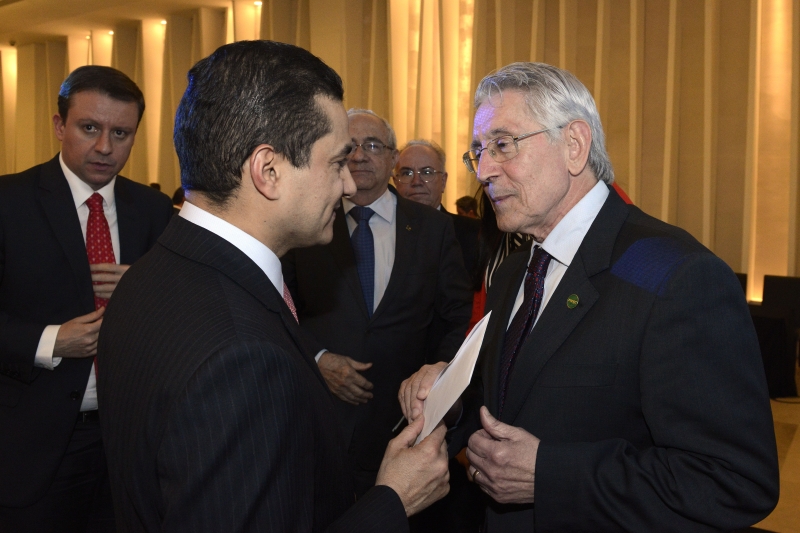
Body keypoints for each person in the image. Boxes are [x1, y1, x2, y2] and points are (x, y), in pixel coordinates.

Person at [400, 62, 779, 532]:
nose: (484, 170)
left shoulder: (679, 277)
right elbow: (510, 399)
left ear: (574, 145)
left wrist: (550, 475)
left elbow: (734, 481)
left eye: (502, 144)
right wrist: (449, 397)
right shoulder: (517, 268)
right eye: (476, 151)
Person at [97, 40, 450, 533]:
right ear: (268, 171)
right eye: (334, 163)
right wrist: (391, 501)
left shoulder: (151, 274)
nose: (349, 186)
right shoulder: (241, 359)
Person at [0, 66, 173, 532]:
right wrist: (51, 341)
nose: (104, 147)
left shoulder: (156, 211)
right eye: (89, 128)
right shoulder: (8, 202)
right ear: (60, 126)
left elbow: (182, 315)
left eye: (121, 133)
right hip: (32, 447)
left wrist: (150, 286)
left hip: (130, 441)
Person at [283, 110, 473, 497]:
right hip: (320, 420)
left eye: (372, 145)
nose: (359, 156)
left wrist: (433, 385)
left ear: (392, 158)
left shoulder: (432, 229)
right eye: (349, 147)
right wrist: (317, 358)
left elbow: (454, 317)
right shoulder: (304, 223)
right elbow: (278, 305)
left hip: (403, 425)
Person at [393, 140, 481, 285]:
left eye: (427, 172)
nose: (416, 181)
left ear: (444, 181)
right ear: (395, 182)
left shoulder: (475, 234)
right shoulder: (380, 232)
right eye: (406, 173)